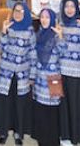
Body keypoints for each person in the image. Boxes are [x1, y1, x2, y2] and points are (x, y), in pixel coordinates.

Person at [0, 2, 36, 145]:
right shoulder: (8, 27)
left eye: (22, 11)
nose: (18, 14)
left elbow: (33, 54)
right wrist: (3, 33)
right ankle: (3, 132)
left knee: (20, 105)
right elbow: (0, 48)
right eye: (16, 11)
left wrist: (32, 75)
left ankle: (19, 133)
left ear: (26, 14)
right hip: (6, 72)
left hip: (22, 74)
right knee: (5, 103)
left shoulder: (30, 31)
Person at [58, 0, 80, 146]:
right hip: (63, 70)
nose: (69, 10)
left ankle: (75, 137)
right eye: (66, 6)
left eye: (72, 6)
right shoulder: (60, 24)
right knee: (64, 106)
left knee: (76, 106)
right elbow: (58, 49)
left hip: (78, 71)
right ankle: (65, 136)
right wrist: (59, 37)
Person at [31, 9, 64, 146]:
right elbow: (33, 58)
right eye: (42, 17)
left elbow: (64, 54)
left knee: (52, 114)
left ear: (52, 19)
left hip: (52, 81)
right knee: (41, 113)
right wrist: (32, 77)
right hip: (39, 81)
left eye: (47, 17)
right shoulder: (37, 35)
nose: (44, 20)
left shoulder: (57, 36)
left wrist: (61, 38)